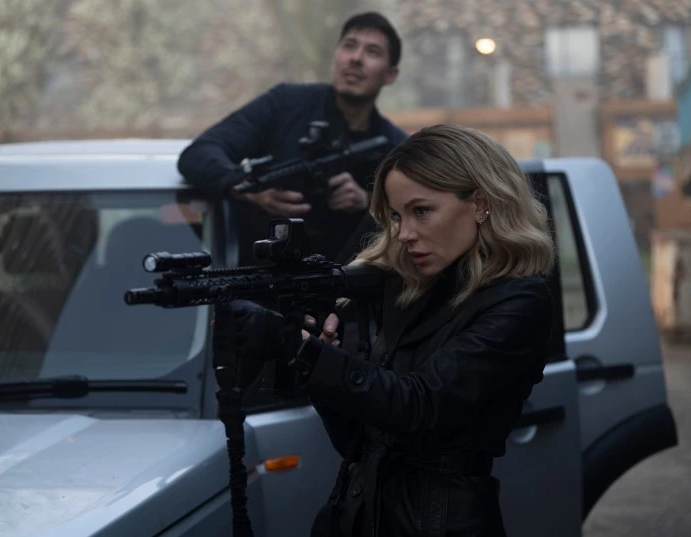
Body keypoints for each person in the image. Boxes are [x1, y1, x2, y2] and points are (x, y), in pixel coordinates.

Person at [226, 124, 557, 536]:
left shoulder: (519, 301)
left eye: (422, 211)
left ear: (480, 204)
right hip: (355, 516)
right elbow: (358, 443)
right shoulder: (409, 291)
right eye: (397, 216)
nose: (404, 234)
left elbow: (419, 407)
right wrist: (320, 360)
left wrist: (304, 349)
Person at [177, 11, 407, 266]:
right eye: (349, 46)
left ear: (391, 74)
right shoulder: (284, 104)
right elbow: (198, 154)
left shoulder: (395, 147)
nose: (356, 58)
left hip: (342, 283)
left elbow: (411, 218)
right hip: (258, 276)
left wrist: (367, 203)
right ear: (336, 55)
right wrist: (249, 189)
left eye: (372, 52)